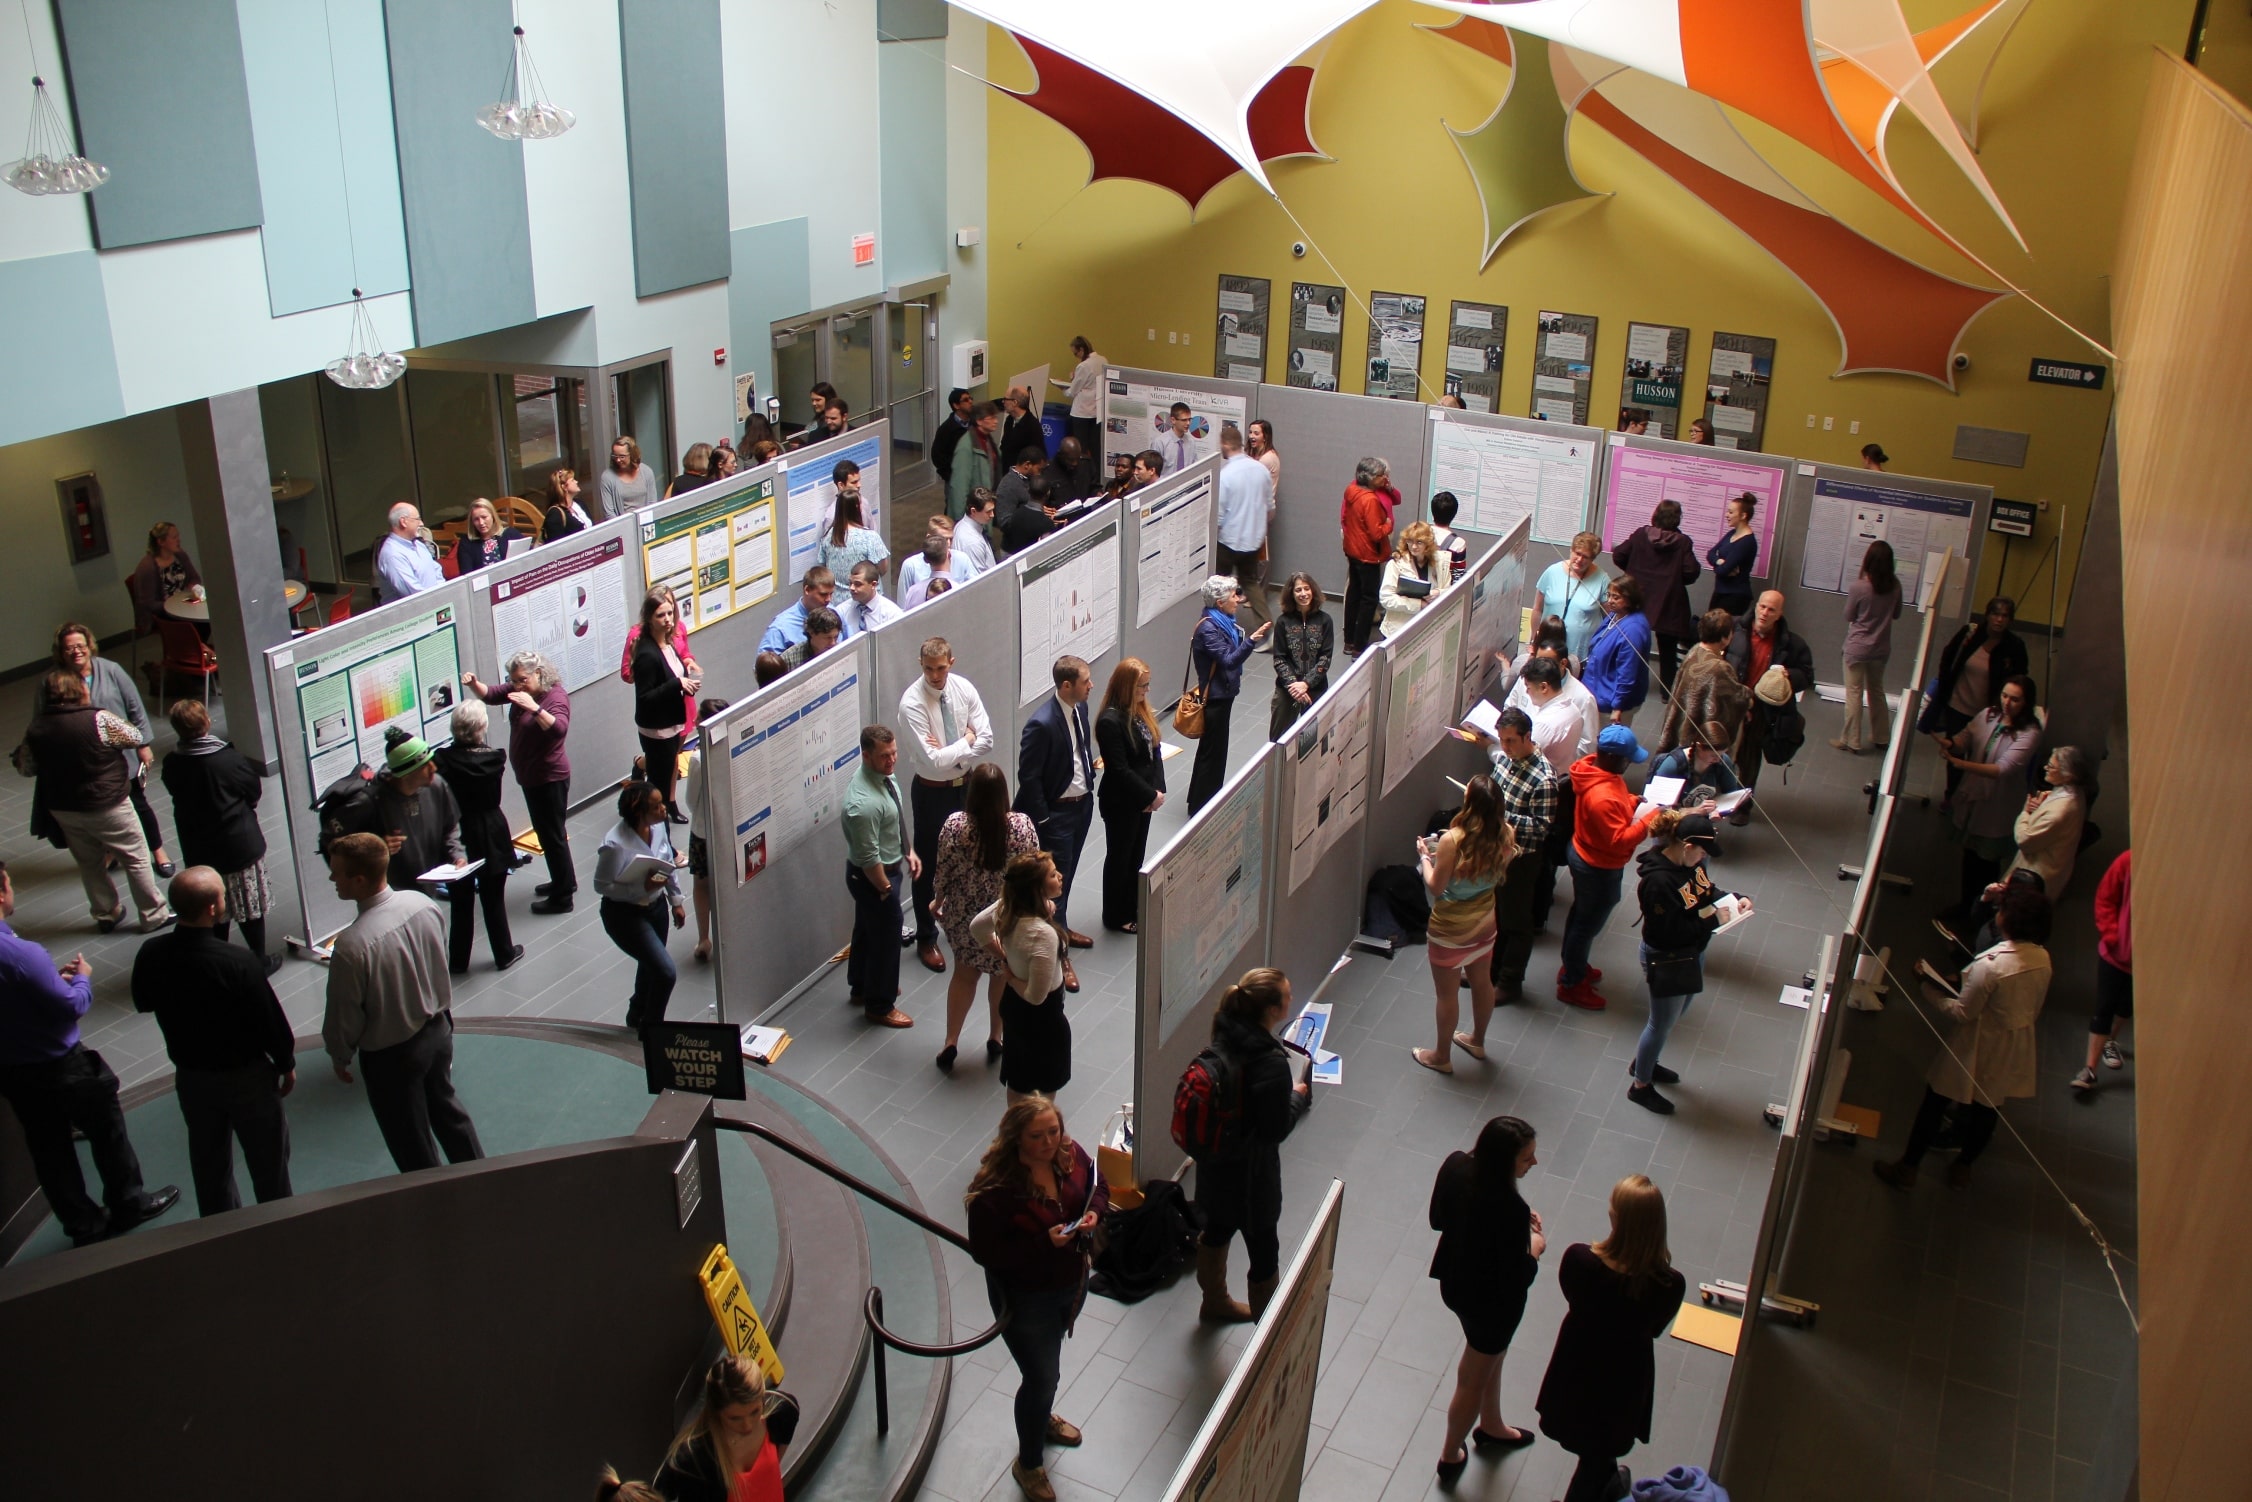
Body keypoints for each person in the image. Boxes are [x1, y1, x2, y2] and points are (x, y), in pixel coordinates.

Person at [0, 860, 180, 1245]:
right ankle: (128, 1202)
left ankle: (83, 1224)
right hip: (63, 1065)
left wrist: (46, 984)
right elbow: (71, 1007)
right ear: (1, 891)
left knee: (48, 1149)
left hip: (13, 1071)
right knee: (107, 1129)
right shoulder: (20, 954)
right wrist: (80, 980)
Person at [964, 1095, 1106, 1502]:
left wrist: (1094, 1211)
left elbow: (1098, 1183)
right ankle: (1028, 1464)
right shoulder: (996, 1191)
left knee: (1048, 1368)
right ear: (1016, 1138)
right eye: (1037, 1136)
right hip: (1027, 1297)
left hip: (1070, 1283)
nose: (1049, 1142)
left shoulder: (1069, 1154)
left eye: (1054, 1131)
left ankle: (1040, 1415)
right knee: (1042, 1376)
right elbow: (987, 1254)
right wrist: (1043, 1244)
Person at [131, 867, 295, 1215]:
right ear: (211, 909)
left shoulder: (151, 953)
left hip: (192, 1077)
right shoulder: (238, 961)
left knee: (209, 1163)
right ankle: (278, 1224)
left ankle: (220, 1231)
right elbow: (270, 1023)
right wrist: (286, 1064)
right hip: (247, 1076)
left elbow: (143, 1001)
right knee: (269, 1161)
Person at [321, 832, 484, 1172]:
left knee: (410, 1139)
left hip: (392, 1056)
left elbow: (345, 1013)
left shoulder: (352, 947)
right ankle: (479, 1175)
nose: (331, 878)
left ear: (360, 878)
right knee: (448, 1111)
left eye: (337, 872)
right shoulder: (423, 905)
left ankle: (433, 1201)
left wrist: (340, 1053)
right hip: (438, 1032)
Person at [1875, 884, 2054, 1189]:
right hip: (2014, 1043)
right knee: (1989, 1106)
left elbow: (1962, 1012)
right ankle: (1964, 1167)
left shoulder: (1992, 966)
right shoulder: (2043, 959)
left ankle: (1908, 1168)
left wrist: (1927, 988)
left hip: (1978, 1042)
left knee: (1935, 1101)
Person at [1535, 1176, 1688, 1502]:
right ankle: (1607, 1483)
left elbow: (1572, 1298)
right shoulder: (1668, 1284)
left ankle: (1604, 1484)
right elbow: (1656, 1328)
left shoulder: (1579, 1261)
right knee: (1600, 1451)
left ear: (1616, 1218)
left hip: (1577, 1371)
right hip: (1624, 1383)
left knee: (1592, 1453)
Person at [1429, 1116, 1546, 1482]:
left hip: (1455, 1281)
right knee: (1473, 1377)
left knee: (1489, 1355)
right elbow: (1518, 1276)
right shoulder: (1508, 1210)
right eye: (1527, 1158)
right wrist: (1534, 1249)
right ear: (1505, 1161)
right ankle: (1450, 1453)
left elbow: (1438, 1219)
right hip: (1491, 1303)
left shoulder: (1458, 1166)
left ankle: (1492, 1423)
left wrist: (1519, 1219)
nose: (1534, 1163)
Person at [1195, 969, 1311, 1322]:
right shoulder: (1272, 1064)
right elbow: (1274, 1129)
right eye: (1287, 995)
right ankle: (1266, 1340)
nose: (1291, 999)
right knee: (1264, 1251)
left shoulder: (1222, 1034)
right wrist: (1297, 1097)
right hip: (1252, 1178)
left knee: (1215, 1231)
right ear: (1273, 1010)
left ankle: (1213, 1302)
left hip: (1214, 1168)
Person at [19, 671, 174, 933]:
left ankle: (106, 913)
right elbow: (134, 737)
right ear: (77, 691)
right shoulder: (97, 718)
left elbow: (26, 767)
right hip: (107, 804)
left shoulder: (36, 727)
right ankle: (154, 914)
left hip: (64, 808)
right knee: (135, 857)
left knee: (89, 862)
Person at [1628, 812, 1744, 1113]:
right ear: (1686, 845)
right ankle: (1640, 1083)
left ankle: (1646, 1060)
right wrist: (1712, 921)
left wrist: (1732, 899)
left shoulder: (1690, 865)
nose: (1704, 857)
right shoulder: (1658, 882)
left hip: (1691, 952)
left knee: (1678, 1012)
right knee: (1660, 1022)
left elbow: (1706, 891)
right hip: (1668, 956)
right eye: (1702, 851)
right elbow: (1669, 931)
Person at [1559, 726, 1678, 1011]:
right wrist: (1648, 819)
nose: (1630, 763)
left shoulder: (1596, 772)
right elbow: (1618, 840)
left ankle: (1572, 965)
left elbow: (1614, 804)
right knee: (1588, 923)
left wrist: (1632, 802)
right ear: (1613, 758)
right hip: (1597, 866)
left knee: (1581, 916)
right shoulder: (1602, 796)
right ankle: (1572, 983)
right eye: (1627, 758)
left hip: (1585, 853)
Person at [899, 637, 995, 974]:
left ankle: (967, 922)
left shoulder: (963, 688)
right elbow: (934, 761)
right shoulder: (912, 703)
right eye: (929, 669)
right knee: (928, 863)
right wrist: (967, 739)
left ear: (951, 662)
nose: (935, 675)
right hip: (931, 791)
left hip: (965, 787)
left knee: (969, 853)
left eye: (941, 668)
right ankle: (927, 936)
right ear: (920, 664)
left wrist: (953, 748)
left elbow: (988, 738)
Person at [933, 764, 1037, 1073]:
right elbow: (1033, 872)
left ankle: (951, 1040)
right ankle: (996, 1036)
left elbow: (943, 873)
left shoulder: (954, 827)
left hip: (965, 919)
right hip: (1005, 921)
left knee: (964, 976)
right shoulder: (1021, 827)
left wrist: (937, 900)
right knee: (1001, 975)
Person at [160, 698, 276, 971]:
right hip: (238, 844)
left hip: (199, 846)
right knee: (249, 905)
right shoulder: (229, 759)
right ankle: (258, 959)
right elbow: (253, 791)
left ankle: (217, 959)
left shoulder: (172, 763)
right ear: (206, 722)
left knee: (212, 907)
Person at [1413, 777, 1516, 1075]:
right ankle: (1477, 1041)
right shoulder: (1506, 834)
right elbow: (1490, 873)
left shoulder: (1452, 840)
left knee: (1446, 995)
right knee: (1482, 982)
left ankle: (1441, 1056)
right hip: (1484, 922)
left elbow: (1436, 886)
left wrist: (1425, 857)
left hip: (1450, 928)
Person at [56, 622, 175, 877]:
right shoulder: (55, 681)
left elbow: (136, 709)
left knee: (138, 804)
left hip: (121, 757)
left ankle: (157, 851)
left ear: (90, 646)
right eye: (69, 648)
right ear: (60, 652)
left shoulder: (111, 671)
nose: (76, 652)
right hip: (84, 762)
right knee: (101, 811)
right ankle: (111, 851)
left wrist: (143, 745)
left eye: (80, 645)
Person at [464, 650, 575, 915]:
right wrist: (473, 684)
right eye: (513, 680)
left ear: (538, 673)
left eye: (522, 679)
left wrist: (534, 708)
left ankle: (563, 897)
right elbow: (491, 694)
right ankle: (563, 882)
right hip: (532, 777)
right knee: (549, 835)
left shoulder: (554, 696)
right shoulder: (521, 688)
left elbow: (559, 728)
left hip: (549, 779)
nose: (516, 685)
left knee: (553, 836)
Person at [1934, 674, 2042, 928]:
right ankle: (1965, 904)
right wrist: (1951, 744)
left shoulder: (2030, 733)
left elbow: (2002, 769)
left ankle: (1979, 914)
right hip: (1974, 799)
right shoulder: (1988, 715)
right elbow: (1967, 737)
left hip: (1998, 805)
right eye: (2005, 696)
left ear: (2026, 702)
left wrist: (1961, 764)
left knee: (1986, 863)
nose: (2007, 703)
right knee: (1969, 856)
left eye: (2015, 699)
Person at [1015, 656, 1099, 979]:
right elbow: (1030, 776)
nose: (1091, 685)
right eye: (1085, 681)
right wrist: (1045, 820)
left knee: (1068, 875)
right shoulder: (1041, 723)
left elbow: (1078, 752)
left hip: (1082, 807)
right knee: (1054, 886)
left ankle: (1060, 927)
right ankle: (1059, 955)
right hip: (1058, 815)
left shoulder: (1081, 708)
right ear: (1067, 685)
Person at [973, 854, 1074, 1104]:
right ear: (1036, 888)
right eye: (1052, 874)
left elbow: (977, 926)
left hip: (1013, 1008)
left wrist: (1005, 957)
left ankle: (1014, 1131)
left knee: (1018, 1078)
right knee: (1045, 1085)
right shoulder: (1042, 935)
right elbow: (1035, 996)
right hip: (1043, 1018)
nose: (1060, 876)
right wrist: (1010, 974)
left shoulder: (1007, 907)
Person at [432, 702, 523, 975]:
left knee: (460, 901)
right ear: (482, 727)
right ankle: (504, 953)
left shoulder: (443, 760)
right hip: (491, 828)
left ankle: (458, 960)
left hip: (458, 830)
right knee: (494, 897)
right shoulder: (495, 758)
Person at [1479, 708, 1560, 1005]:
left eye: (1512, 741)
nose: (1506, 747)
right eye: (1502, 740)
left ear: (1528, 737)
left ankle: (1510, 982)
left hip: (1520, 858)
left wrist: (1500, 816)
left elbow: (1541, 828)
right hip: (1494, 851)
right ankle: (1491, 972)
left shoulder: (1544, 779)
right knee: (1495, 916)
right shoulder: (1505, 759)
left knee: (1515, 921)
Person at [592, 781, 685, 1032]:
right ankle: (652, 1029)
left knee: (650, 964)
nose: (663, 809)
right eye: (656, 806)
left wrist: (676, 901)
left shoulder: (658, 828)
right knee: (665, 972)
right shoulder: (613, 845)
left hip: (656, 910)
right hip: (625, 915)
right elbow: (601, 886)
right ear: (639, 812)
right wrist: (640, 888)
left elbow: (666, 865)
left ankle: (636, 1015)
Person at [841, 726, 918, 1029]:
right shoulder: (863, 805)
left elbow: (894, 818)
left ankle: (861, 985)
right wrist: (885, 888)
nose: (892, 760)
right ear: (866, 755)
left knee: (866, 929)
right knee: (887, 941)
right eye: (885, 755)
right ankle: (880, 1004)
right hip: (875, 878)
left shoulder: (883, 778)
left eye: (894, 752)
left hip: (884, 871)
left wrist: (907, 851)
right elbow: (869, 858)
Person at [653, 1355, 797, 1502]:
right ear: (716, 1412)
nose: (747, 1426)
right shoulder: (690, 1458)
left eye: (755, 1412)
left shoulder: (782, 1413)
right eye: (735, 1418)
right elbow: (653, 1496)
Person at [1724, 591, 1814, 818]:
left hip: (1761, 711)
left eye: (1771, 609)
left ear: (1780, 614)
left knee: (1749, 759)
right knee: (1715, 751)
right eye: (1762, 607)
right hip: (1730, 706)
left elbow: (1807, 676)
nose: (1765, 613)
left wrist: (1788, 674)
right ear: (1755, 607)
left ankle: (1741, 806)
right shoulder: (1732, 629)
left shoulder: (1792, 645)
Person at [1185, 575, 1270, 814]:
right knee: (1212, 752)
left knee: (1213, 750)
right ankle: (1202, 804)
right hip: (1216, 699)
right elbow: (1229, 660)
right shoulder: (1210, 630)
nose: (1239, 599)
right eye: (1234, 595)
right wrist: (1251, 641)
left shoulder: (1223, 622)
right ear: (1220, 602)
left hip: (1224, 694)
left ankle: (1203, 799)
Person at [1094, 658, 1166, 932]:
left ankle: (1132, 906)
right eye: (1142, 686)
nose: (1146, 691)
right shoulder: (1110, 721)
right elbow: (1119, 770)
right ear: (1127, 686)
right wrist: (1149, 795)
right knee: (1120, 858)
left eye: (1147, 685)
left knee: (1136, 857)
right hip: (1122, 802)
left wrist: (1157, 790)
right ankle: (1115, 915)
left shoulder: (1139, 711)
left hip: (1142, 800)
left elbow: (1155, 751)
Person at [1922, 598, 2030, 781]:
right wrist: (1946, 688)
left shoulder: (2015, 646)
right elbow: (1947, 659)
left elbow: (2021, 678)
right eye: (1995, 614)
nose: (1999, 620)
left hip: (1989, 712)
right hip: (1957, 705)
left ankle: (1969, 791)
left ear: (2010, 620)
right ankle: (1951, 794)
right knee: (1954, 752)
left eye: (2005, 616)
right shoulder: (1970, 634)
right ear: (1987, 615)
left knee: (1981, 754)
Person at [1612, 499, 1702, 696]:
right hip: (1668, 601)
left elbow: (1618, 554)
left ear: (1656, 515)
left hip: (1637, 596)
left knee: (1630, 640)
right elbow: (1691, 571)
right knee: (1667, 649)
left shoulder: (1640, 534)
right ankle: (1666, 691)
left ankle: (1625, 682)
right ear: (1677, 519)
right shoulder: (1682, 542)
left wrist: (1633, 572)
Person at [635, 589, 702, 822]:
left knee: (664, 779)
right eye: (661, 615)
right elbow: (645, 697)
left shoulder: (668, 642)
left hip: (672, 722)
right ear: (649, 619)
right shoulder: (646, 653)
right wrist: (677, 684)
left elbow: (672, 675)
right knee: (659, 791)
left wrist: (684, 684)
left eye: (670, 613)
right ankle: (662, 844)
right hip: (658, 729)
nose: (668, 620)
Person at [1836, 539, 1904, 753]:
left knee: (1854, 693)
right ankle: (1882, 737)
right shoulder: (1895, 586)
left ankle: (1851, 741)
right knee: (1877, 691)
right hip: (1881, 649)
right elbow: (1897, 614)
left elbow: (1849, 615)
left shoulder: (1859, 587)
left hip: (1857, 648)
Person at [2074, 849, 2133, 1093]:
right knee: (2103, 1009)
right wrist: (2112, 936)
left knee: (2126, 1008)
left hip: (2144, 966)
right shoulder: (2128, 860)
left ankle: (2111, 1041)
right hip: (2115, 955)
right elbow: (2105, 897)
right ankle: (2090, 1069)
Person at [1655, 608, 1749, 755]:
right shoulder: (1720, 668)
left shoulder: (1694, 650)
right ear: (1724, 638)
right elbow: (1737, 698)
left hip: (1684, 722)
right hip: (1699, 731)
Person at [680, 697, 729, 964]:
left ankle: (703, 937)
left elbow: (691, 799)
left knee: (702, 884)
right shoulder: (735, 745)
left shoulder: (698, 759)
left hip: (703, 830)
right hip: (728, 828)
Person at [1215, 425, 1275, 633]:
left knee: (1219, 585)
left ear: (1224, 444)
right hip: (1252, 541)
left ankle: (1217, 625)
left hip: (1228, 540)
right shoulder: (1260, 469)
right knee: (1250, 582)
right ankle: (1266, 627)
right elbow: (1270, 507)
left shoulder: (1226, 474)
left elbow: (1219, 516)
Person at [1339, 456, 1398, 654]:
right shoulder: (1370, 500)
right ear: (1371, 478)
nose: (1384, 479)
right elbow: (1377, 532)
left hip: (1352, 550)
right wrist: (1388, 524)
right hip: (1368, 555)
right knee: (1369, 599)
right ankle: (1359, 645)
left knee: (1354, 594)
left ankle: (1348, 640)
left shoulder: (1351, 491)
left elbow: (1346, 518)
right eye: (1381, 476)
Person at [1268, 572, 1333, 740]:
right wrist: (1295, 686)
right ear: (1291, 594)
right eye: (1298, 590)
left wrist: (1306, 683)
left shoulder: (1325, 621)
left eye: (1306, 588)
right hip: (1287, 689)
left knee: (1313, 741)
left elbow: (1325, 659)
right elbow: (1279, 659)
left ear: (1313, 591)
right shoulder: (1283, 622)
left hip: (1316, 688)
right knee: (1278, 740)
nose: (1303, 594)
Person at [1582, 577, 1653, 727]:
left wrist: (1618, 706)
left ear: (1630, 599)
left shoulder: (1633, 629)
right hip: (1598, 691)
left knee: (1606, 744)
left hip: (1611, 703)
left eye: (1616, 597)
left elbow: (1627, 672)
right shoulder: (1616, 615)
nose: (1610, 601)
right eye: (1609, 595)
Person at [1536, 532, 1611, 664]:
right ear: (1571, 550)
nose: (1579, 559)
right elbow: (1537, 609)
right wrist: (1533, 640)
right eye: (1577, 553)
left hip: (1580, 655)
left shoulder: (1602, 579)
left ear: (1592, 559)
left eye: (1585, 557)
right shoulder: (1552, 572)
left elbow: (1610, 619)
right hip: (1548, 648)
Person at [1378, 519, 1451, 639]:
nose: (1414, 546)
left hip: (1428, 628)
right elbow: (1386, 598)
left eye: (1419, 542)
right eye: (1410, 541)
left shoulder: (1440, 562)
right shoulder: (1396, 563)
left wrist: (1439, 593)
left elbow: (1450, 591)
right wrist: (1418, 604)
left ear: (1428, 544)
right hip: (1398, 629)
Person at [817, 461, 888, 581]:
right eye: (854, 482)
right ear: (841, 485)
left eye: (859, 480)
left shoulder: (863, 502)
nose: (859, 485)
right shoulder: (830, 517)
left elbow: (873, 530)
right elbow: (829, 555)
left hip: (867, 575)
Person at [128, 520, 201, 636]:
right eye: (174, 537)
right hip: (164, 612)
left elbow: (195, 578)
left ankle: (202, 649)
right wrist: (174, 604)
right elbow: (148, 603)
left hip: (185, 604)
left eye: (178, 536)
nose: (179, 540)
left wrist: (192, 588)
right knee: (194, 625)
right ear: (161, 542)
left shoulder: (180, 555)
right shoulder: (148, 567)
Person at [376, 501, 444, 599]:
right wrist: (437, 598)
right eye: (417, 519)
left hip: (433, 604)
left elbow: (436, 569)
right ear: (403, 522)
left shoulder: (419, 544)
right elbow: (412, 594)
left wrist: (442, 592)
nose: (421, 523)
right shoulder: (393, 554)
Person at [1706, 493, 1759, 619]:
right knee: (1710, 630)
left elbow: (1723, 571)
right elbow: (1710, 554)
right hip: (1720, 591)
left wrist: (1722, 567)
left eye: (1730, 512)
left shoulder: (1747, 542)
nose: (1726, 515)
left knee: (1722, 633)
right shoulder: (1731, 533)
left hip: (1735, 595)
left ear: (1743, 515)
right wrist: (1719, 561)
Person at [947, 401, 1002, 521]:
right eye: (991, 418)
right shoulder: (966, 447)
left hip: (983, 505)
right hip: (973, 512)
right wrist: (961, 519)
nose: (996, 421)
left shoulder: (987, 439)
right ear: (979, 421)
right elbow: (959, 486)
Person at [1054, 335, 1104, 456]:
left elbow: (1072, 392)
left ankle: (1082, 471)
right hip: (1097, 410)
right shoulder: (1102, 360)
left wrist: (1061, 387)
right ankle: (1096, 473)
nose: (1076, 357)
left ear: (1081, 349)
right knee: (1096, 446)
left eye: (1075, 354)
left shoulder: (1083, 366)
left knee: (1081, 447)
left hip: (1082, 412)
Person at [453, 497, 524, 571]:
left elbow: (529, 558)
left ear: (493, 516)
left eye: (484, 517)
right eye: (476, 519)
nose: (481, 523)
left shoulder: (511, 534)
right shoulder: (466, 543)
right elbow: (466, 574)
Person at [599, 436, 660, 518]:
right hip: (623, 525)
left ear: (632, 455)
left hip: (646, 521)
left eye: (622, 456)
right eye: (615, 456)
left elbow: (652, 503)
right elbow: (609, 513)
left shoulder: (646, 472)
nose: (618, 460)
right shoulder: (607, 477)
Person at [998, 476, 1059, 554]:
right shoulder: (1046, 523)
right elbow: (1050, 549)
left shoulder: (1016, 514)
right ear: (1048, 493)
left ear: (1028, 490)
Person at [932, 387, 976, 488]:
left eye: (970, 398)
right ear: (956, 405)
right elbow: (937, 456)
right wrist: (951, 475)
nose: (970, 402)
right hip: (956, 479)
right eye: (966, 400)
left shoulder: (975, 424)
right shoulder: (946, 429)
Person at [996, 447, 1046, 532]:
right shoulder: (1008, 485)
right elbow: (1004, 522)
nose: (1039, 474)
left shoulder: (1030, 480)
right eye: (1038, 469)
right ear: (1027, 465)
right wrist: (1034, 515)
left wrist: (1042, 510)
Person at [775, 607, 841, 671]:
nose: (833, 643)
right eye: (827, 638)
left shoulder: (842, 652)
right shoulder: (788, 661)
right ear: (811, 632)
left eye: (836, 637)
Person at [1000, 386, 1048, 470]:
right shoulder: (1009, 420)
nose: (1003, 401)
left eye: (1005, 399)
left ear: (1015, 402)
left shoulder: (1032, 425)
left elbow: (1039, 455)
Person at [954, 489, 999, 577]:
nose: (992, 515)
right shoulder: (972, 542)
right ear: (973, 511)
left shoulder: (962, 525)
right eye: (988, 512)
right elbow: (981, 579)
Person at [540, 467, 591, 545]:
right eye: (573, 480)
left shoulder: (580, 503)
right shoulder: (555, 514)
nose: (576, 482)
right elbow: (555, 546)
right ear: (564, 487)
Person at [1046, 436, 1097, 506]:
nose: (1075, 463)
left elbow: (1094, 486)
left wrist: (1098, 493)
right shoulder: (1048, 471)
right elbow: (1045, 500)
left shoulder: (1086, 464)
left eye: (1077, 459)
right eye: (1070, 460)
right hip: (1060, 514)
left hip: (1085, 512)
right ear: (1060, 455)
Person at [1157, 401, 1197, 476]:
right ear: (1173, 420)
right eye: (1184, 420)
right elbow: (1154, 473)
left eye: (1189, 419)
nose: (1188, 423)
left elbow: (1194, 467)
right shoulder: (1160, 442)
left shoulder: (1191, 442)